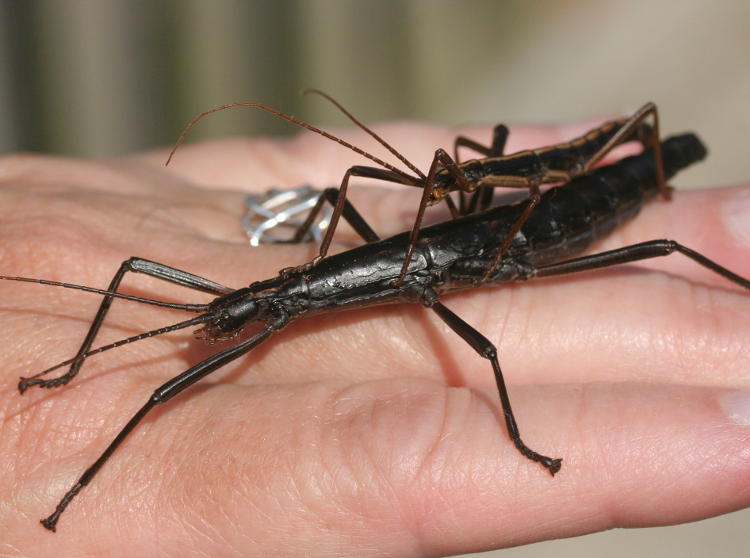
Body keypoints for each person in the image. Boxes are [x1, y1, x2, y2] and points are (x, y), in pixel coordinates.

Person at [1, 121, 748, 556]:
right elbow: (143, 270)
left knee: (663, 252)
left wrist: (518, 444)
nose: (241, 320)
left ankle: (80, 483)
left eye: (262, 307)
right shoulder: (282, 300)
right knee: (149, 288)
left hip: (547, 233)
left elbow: (485, 351)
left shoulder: (396, 271)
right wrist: (257, 295)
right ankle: (71, 374)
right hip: (431, 253)